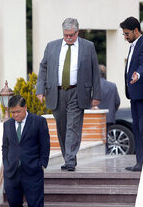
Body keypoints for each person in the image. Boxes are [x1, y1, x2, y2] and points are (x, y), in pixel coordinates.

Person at [36, 17, 101, 172]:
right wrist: (40, 89)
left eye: (72, 35)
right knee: (62, 127)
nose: (69, 38)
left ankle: (70, 160)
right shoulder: (51, 46)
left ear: (77, 32)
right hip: (56, 92)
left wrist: (96, 94)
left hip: (77, 92)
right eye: (66, 35)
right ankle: (68, 157)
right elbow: (43, 68)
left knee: (73, 126)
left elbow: (95, 71)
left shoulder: (88, 47)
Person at [120, 16, 143, 172]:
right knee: (137, 128)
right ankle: (140, 162)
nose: (125, 37)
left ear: (136, 30)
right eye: (124, 34)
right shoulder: (133, 45)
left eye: (127, 33)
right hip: (135, 94)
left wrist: (138, 75)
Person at [2, 95, 50, 207]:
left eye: (18, 111)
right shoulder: (7, 125)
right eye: (12, 112)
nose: (15, 115)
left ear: (25, 107)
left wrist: (42, 164)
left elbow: (45, 145)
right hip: (12, 173)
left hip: (33, 172)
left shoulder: (39, 122)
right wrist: (6, 164)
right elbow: (5, 147)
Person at [97, 65, 120, 153]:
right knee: (105, 136)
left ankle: (104, 152)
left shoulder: (91, 86)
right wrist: (112, 111)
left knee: (96, 138)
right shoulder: (112, 86)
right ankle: (106, 151)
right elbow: (117, 101)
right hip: (108, 117)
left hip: (93, 117)